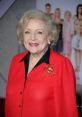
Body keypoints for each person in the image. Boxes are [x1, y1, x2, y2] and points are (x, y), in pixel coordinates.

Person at [5, 9, 79, 117]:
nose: (33, 37)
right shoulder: (16, 61)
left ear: (49, 36)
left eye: (39, 32)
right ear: (22, 36)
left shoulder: (62, 64)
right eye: (27, 32)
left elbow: (68, 111)